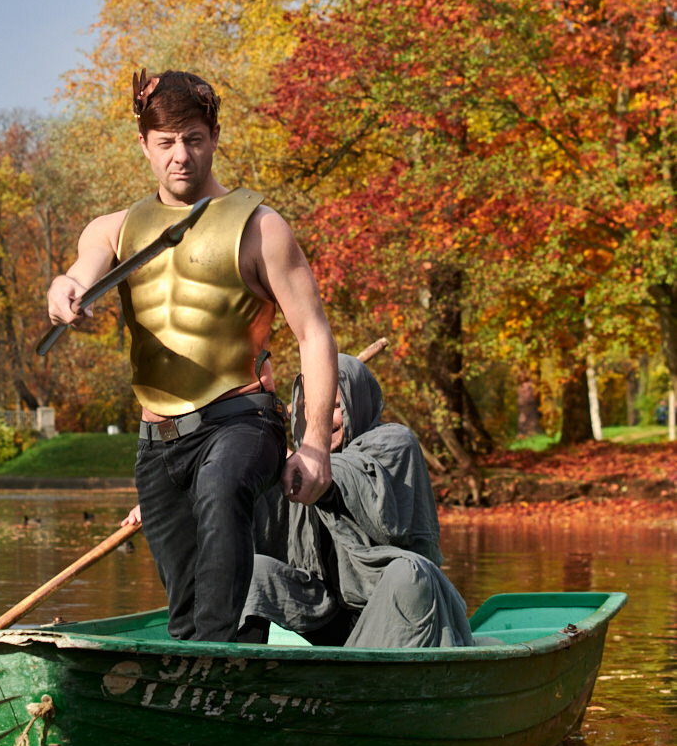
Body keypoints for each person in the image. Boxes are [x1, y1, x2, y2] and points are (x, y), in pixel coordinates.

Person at [46, 69, 338, 641]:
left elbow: (314, 336)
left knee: (221, 493)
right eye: (166, 143)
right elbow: (78, 274)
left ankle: (216, 662)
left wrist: (315, 444)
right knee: (187, 609)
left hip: (241, 420)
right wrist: (64, 289)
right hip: (157, 442)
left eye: (194, 139)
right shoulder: (112, 230)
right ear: (144, 146)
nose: (181, 156)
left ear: (215, 136)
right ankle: (211, 666)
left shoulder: (261, 227)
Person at [239, 352, 474, 648]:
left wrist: (286, 458)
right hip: (325, 610)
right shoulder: (292, 465)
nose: (318, 419)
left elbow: (345, 478)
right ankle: (237, 675)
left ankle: (374, 680)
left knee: (409, 573)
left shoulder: (395, 443)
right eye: (308, 407)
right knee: (251, 570)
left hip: (393, 610)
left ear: (357, 404)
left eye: (334, 407)